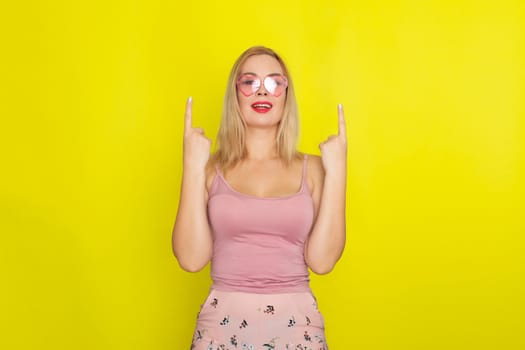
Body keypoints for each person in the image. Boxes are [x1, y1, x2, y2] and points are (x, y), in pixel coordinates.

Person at [172, 46, 347, 350]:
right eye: (250, 82)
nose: (262, 92)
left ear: (286, 94)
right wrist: (192, 166)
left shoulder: (316, 168)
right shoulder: (210, 168)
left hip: (297, 330)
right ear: (235, 94)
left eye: (274, 83)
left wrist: (339, 170)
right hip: (220, 330)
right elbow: (190, 258)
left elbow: (322, 261)